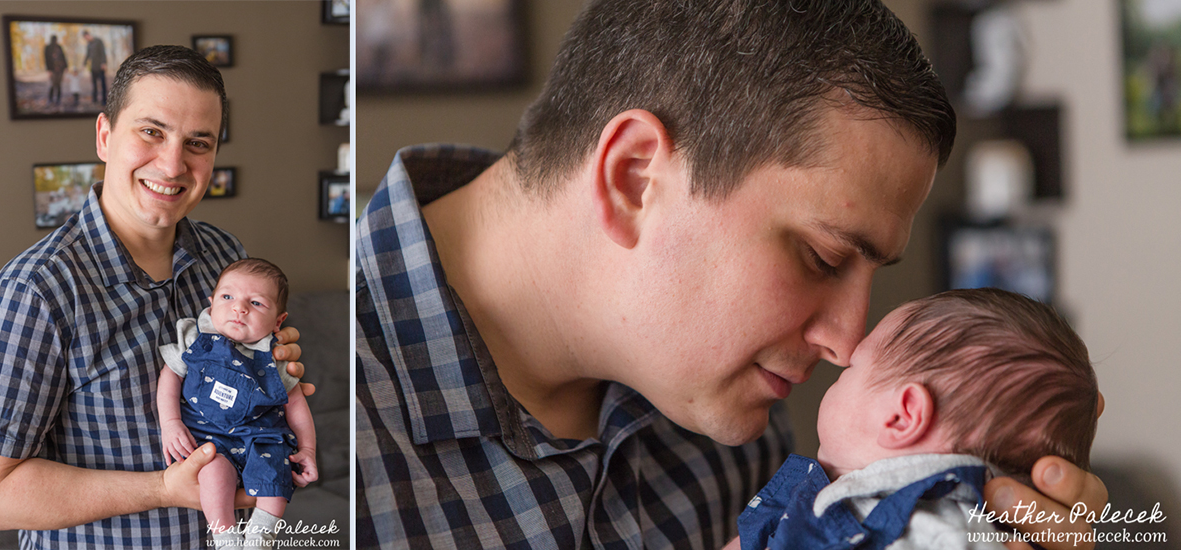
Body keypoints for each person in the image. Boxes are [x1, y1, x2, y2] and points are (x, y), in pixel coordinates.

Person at [354, 1, 1106, 549]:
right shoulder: (294, 426)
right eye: (822, 257)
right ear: (633, 177)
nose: (848, 343)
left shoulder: (738, 425)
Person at [0, 45, 308, 549]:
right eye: (152, 132)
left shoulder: (227, 257)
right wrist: (161, 489)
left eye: (198, 142)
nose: (174, 164)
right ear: (105, 136)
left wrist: (275, 365)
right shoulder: (36, 292)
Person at [732, 289, 1100, 549]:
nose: (841, 356)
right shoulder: (841, 503)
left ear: (902, 417)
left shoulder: (932, 530)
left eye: (854, 367)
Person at [158, 258, 318, 550]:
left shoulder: (276, 358)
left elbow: (297, 406)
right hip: (210, 439)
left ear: (279, 321)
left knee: (276, 477)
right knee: (213, 474)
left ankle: (261, 537)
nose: (239, 308)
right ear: (211, 303)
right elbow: (170, 376)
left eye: (256, 303)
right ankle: (225, 538)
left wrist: (307, 449)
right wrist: (170, 423)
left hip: (262, 439)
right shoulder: (197, 339)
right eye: (227, 297)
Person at [83, 29, 108, 105]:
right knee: (94, 84)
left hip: (100, 66)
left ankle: (104, 100)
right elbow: (87, 55)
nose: (86, 39)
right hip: (93, 67)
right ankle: (95, 99)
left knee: (103, 84)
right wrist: (84, 63)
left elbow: (103, 52)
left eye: (86, 37)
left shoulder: (98, 41)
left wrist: (104, 63)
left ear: (88, 35)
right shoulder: (88, 45)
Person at [44, 35, 68, 106]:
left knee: (59, 84)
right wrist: (49, 69)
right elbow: (46, 59)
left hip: (60, 69)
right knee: (52, 84)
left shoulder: (59, 47)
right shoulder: (48, 48)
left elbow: (63, 57)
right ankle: (50, 99)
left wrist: (66, 66)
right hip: (53, 69)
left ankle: (58, 100)